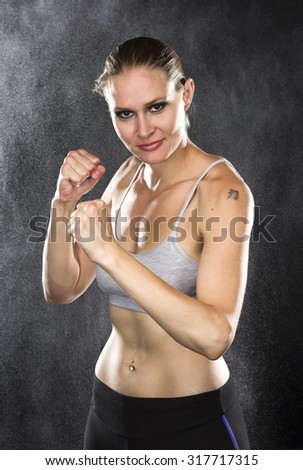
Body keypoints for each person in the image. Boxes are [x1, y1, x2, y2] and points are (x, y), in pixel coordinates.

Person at [42, 37, 254, 450]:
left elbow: (216, 337)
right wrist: (62, 203)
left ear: (186, 94)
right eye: (125, 114)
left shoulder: (223, 191)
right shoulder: (125, 175)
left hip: (190, 422)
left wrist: (108, 252)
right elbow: (61, 290)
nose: (142, 130)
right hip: (106, 411)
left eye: (156, 107)